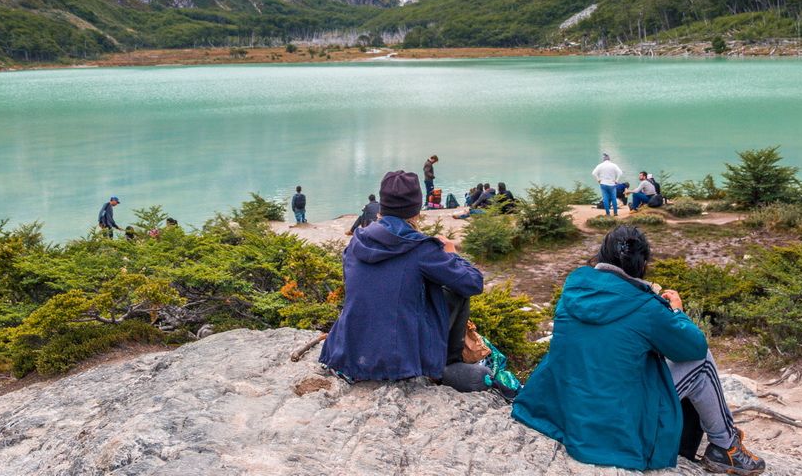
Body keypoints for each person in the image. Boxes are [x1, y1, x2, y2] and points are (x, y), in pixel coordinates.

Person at [512, 226, 766, 474]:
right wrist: (676, 312)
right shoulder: (645, 307)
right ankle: (726, 447)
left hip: (564, 403)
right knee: (703, 362)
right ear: (641, 263)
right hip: (615, 420)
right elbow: (694, 347)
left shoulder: (574, 287)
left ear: (602, 255)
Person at [320, 170, 487, 391]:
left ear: (382, 205)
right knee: (457, 291)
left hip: (348, 352)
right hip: (396, 360)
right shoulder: (420, 248)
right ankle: (448, 363)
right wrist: (450, 253)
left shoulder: (357, 242)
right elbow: (473, 283)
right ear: (416, 209)